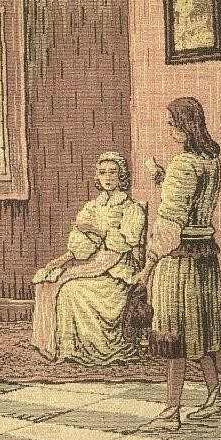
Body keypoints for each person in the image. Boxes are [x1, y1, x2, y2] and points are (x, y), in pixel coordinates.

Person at [132, 96, 221, 430]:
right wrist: (163, 178)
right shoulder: (211, 159)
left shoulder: (183, 164)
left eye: (172, 123)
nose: (170, 129)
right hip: (204, 256)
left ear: (185, 126)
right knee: (199, 330)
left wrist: (148, 266)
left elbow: (171, 223)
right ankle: (214, 396)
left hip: (179, 261)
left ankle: (170, 411)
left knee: (173, 336)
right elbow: (194, 199)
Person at [31, 151, 145, 366]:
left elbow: (126, 242)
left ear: (121, 176)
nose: (108, 177)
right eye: (103, 173)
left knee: (70, 290)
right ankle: (54, 345)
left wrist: (95, 230)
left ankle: (86, 348)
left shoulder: (132, 209)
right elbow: (83, 247)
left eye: (113, 172)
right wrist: (60, 261)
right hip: (97, 265)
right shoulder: (94, 207)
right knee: (49, 281)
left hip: (117, 274)